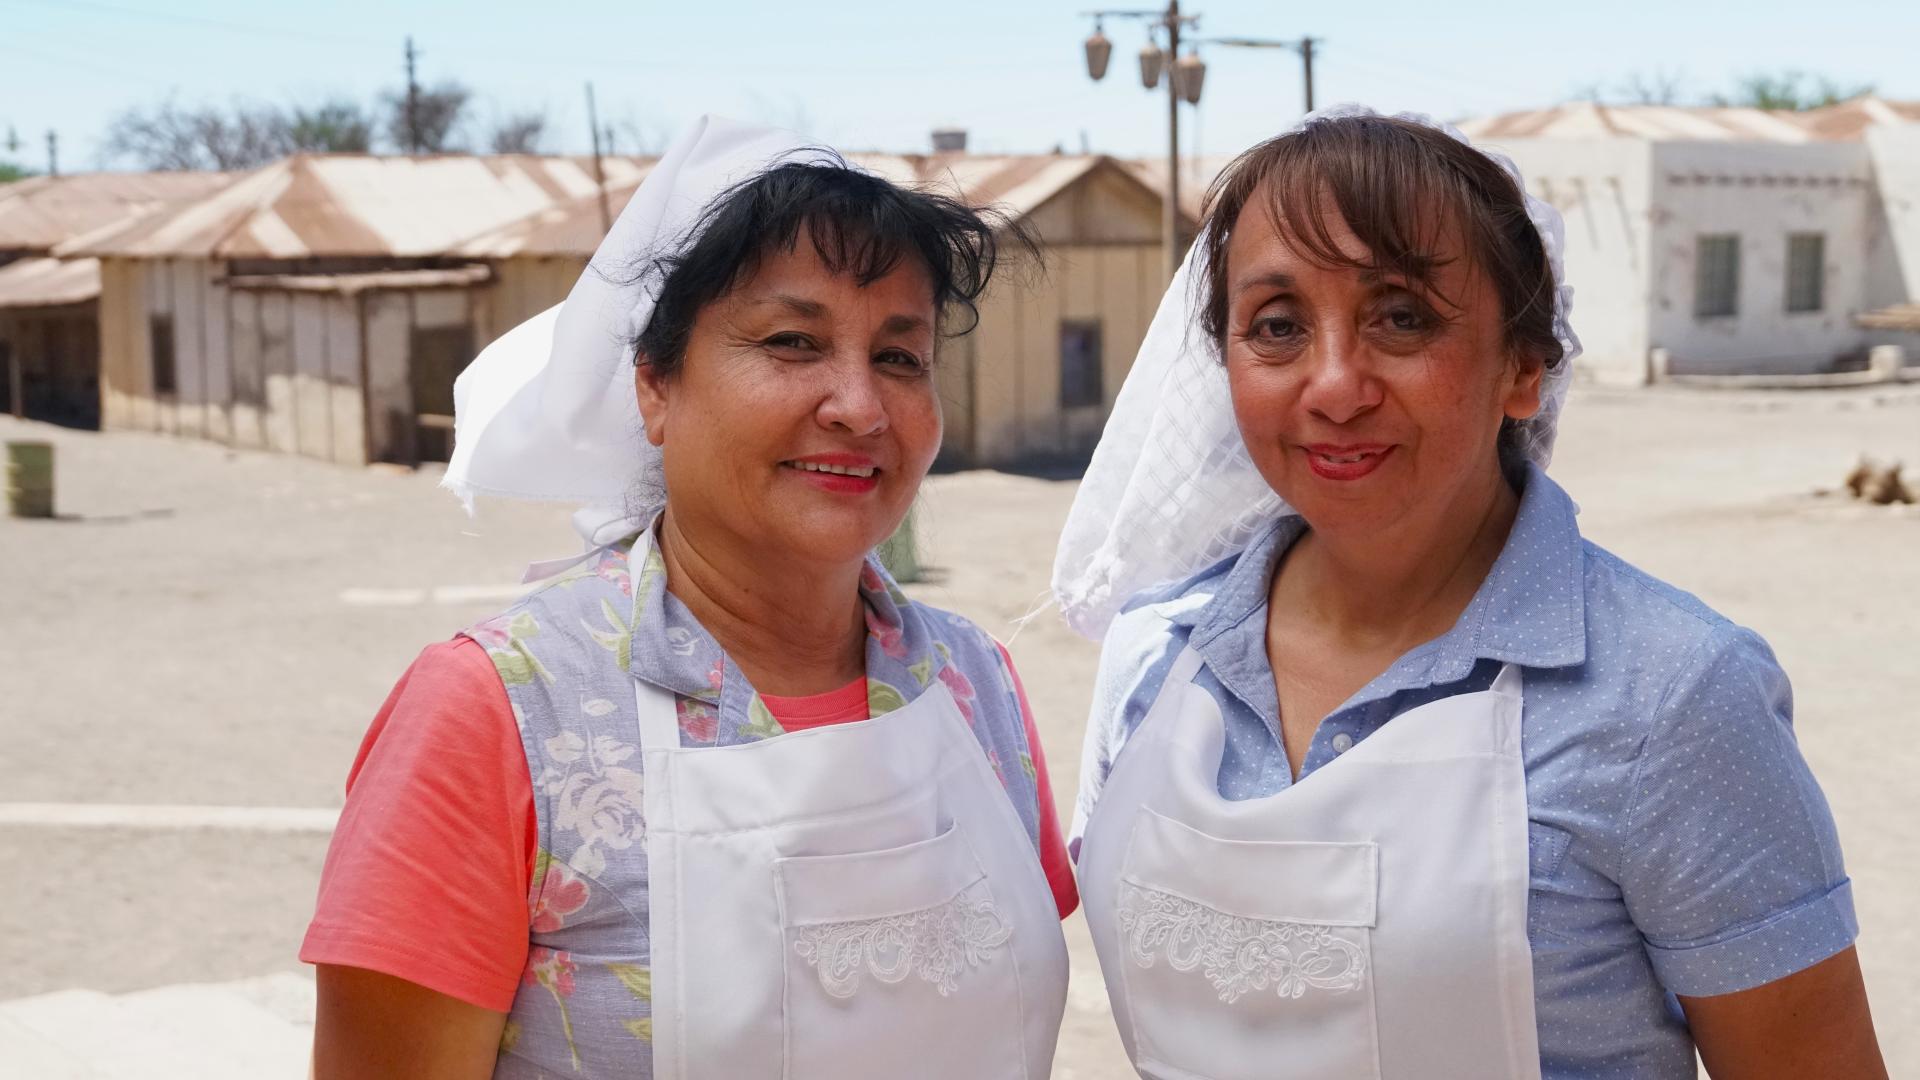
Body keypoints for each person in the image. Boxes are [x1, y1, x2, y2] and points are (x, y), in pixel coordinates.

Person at [1053, 106, 1885, 1079]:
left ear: (1524, 367)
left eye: (1401, 317)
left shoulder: (1672, 697)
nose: (1333, 384)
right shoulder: (1156, 659)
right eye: (1276, 326)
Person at [304, 117, 1074, 1079]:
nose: (859, 406)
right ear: (656, 388)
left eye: (899, 356)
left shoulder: (973, 682)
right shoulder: (495, 711)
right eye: (794, 342)